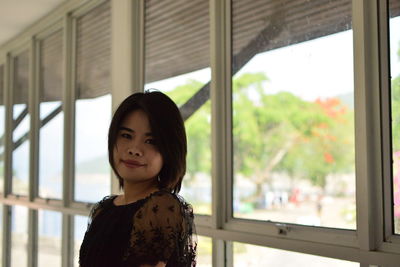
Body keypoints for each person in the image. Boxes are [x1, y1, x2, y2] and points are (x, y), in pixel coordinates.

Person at [79, 91, 197, 267]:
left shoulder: (161, 208)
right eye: (126, 136)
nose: (134, 149)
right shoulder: (102, 210)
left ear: (169, 151)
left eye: (151, 141)